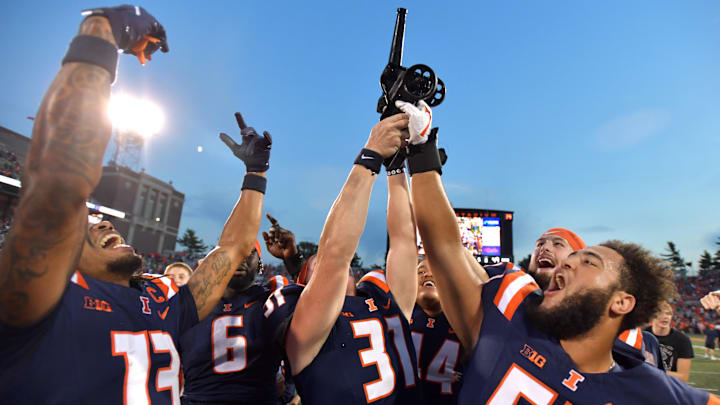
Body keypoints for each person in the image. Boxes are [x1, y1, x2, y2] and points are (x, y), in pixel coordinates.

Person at [0, 7, 271, 403]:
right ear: (61, 252)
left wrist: (256, 174)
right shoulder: (44, 293)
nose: (103, 224)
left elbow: (233, 248)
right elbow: (59, 185)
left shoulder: (162, 302)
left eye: (102, 220)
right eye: (88, 224)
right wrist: (100, 31)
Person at [406, 106, 718, 403]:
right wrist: (421, 146)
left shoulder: (650, 385)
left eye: (587, 261)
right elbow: (445, 245)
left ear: (622, 301)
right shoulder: (511, 314)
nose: (566, 262)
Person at [269, 111, 421, 404]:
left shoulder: (379, 300)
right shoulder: (308, 326)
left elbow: (403, 242)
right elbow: (334, 255)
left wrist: (396, 168)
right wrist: (372, 153)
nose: (319, 261)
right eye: (313, 265)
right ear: (306, 284)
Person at [179, 241, 292, 404]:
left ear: (260, 265)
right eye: (232, 252)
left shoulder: (272, 298)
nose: (240, 259)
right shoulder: (187, 303)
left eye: (248, 253)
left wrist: (294, 259)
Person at [412, 257, 464, 405]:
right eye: (421, 271)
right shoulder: (397, 313)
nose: (427, 274)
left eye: (436, 270)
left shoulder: (467, 320)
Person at [646, 300, 694, 381]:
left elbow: (683, 377)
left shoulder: (682, 340)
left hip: (669, 388)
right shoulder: (640, 335)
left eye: (668, 314)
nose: (665, 317)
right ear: (651, 316)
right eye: (660, 313)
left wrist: (653, 370)